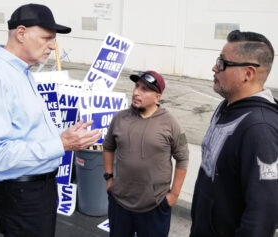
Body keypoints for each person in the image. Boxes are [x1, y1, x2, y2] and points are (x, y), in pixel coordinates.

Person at [0, 3, 101, 237]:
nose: (52, 46)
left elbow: (25, 131)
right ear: (21, 33)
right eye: (47, 38)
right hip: (20, 194)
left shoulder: (21, 72)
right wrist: (61, 144)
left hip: (36, 189)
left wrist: (65, 134)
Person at [190, 30, 278, 237]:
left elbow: (262, 215)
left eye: (222, 63)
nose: (214, 68)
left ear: (248, 73)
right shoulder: (227, 106)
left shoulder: (260, 129)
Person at [103, 70, 189, 237]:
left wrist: (174, 195)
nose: (136, 92)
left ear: (157, 97)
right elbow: (108, 147)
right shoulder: (120, 118)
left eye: (144, 89)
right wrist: (109, 178)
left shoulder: (171, 123)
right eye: (136, 86)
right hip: (120, 203)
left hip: (155, 206)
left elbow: (183, 157)